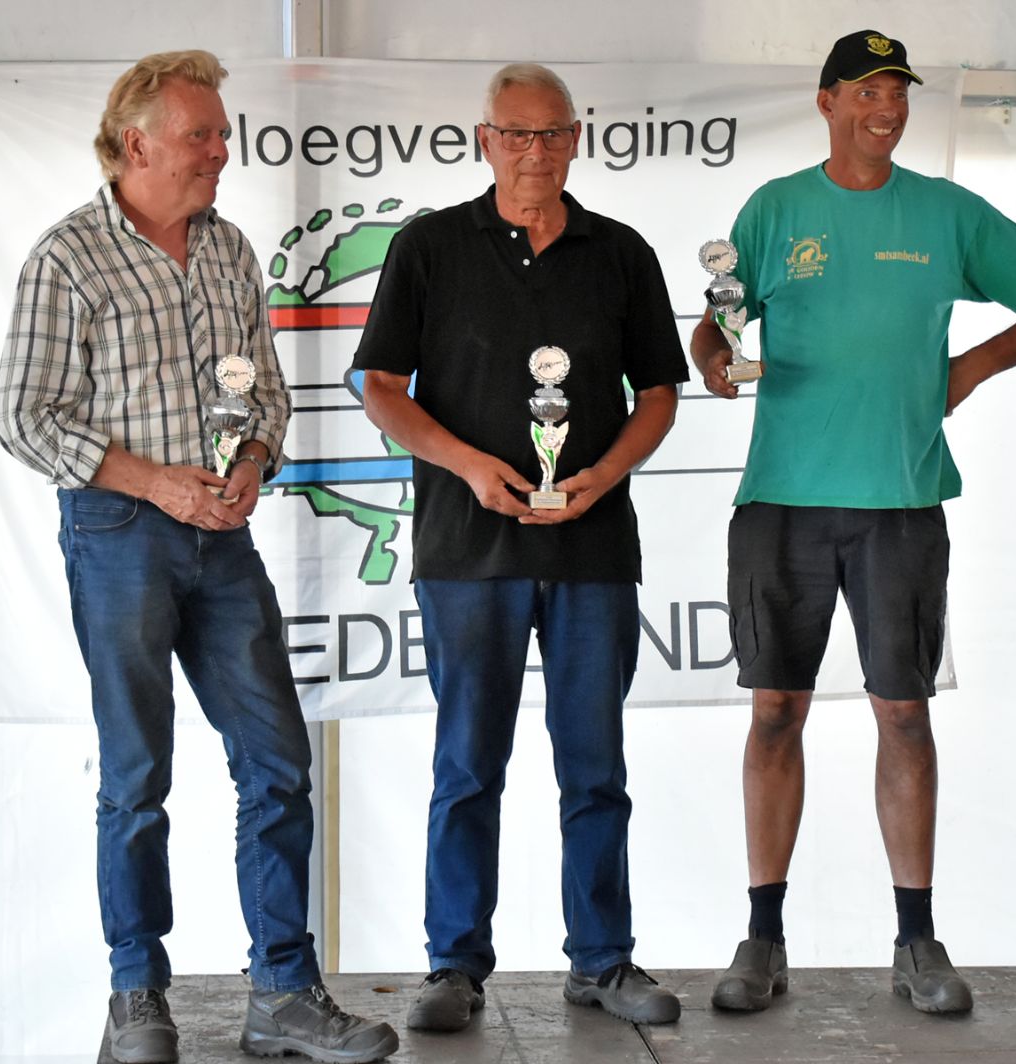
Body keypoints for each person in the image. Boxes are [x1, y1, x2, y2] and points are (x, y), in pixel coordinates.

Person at [0, 51, 396, 1063]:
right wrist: (152, 481)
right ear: (136, 144)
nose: (222, 150)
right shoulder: (68, 257)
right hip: (118, 535)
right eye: (201, 134)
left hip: (223, 535)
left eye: (222, 132)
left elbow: (268, 392)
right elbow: (23, 416)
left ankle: (284, 992)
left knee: (279, 762)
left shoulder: (229, 248)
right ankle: (137, 995)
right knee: (136, 775)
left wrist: (254, 459)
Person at [690, 29, 1016, 1016]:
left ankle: (917, 940)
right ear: (827, 101)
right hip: (782, 501)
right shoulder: (776, 209)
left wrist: (974, 366)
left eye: (898, 93)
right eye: (867, 92)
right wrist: (712, 356)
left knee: (904, 715)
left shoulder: (945, 212)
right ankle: (762, 937)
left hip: (902, 504)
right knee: (774, 713)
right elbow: (719, 319)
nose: (887, 109)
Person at [352, 63, 687, 1031]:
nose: (534, 152)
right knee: (467, 767)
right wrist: (466, 465)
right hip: (467, 551)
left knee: (596, 767)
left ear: (576, 140)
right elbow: (380, 387)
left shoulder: (621, 253)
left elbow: (659, 393)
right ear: (484, 141)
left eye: (551, 134)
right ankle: (454, 966)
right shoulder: (428, 247)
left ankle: (603, 960)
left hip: (592, 551)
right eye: (515, 134)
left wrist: (604, 474)